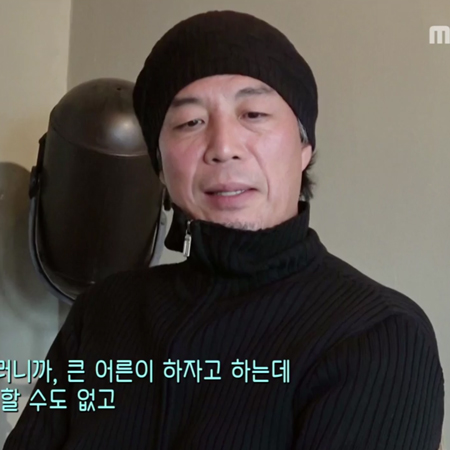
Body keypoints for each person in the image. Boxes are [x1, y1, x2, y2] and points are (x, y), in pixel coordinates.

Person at [3, 10, 444, 450]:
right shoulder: (103, 313)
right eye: (189, 123)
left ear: (304, 145)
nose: (223, 147)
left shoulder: (377, 336)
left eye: (253, 113)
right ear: (160, 165)